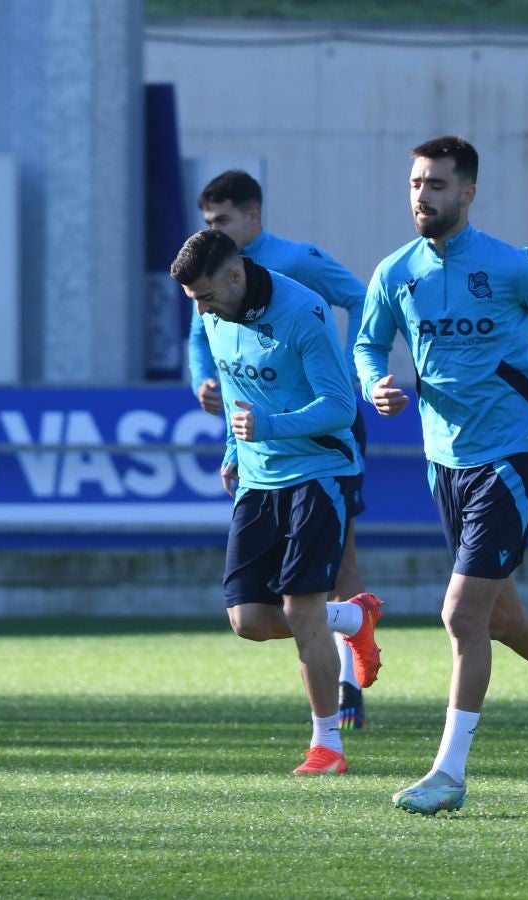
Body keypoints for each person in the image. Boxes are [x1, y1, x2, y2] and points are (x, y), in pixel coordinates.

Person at [354, 136, 528, 816]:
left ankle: (449, 774)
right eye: (417, 183)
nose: (424, 195)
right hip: (443, 465)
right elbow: (367, 341)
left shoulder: (510, 267)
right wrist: (374, 383)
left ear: (467, 192)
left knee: (460, 613)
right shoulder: (396, 272)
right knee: (502, 617)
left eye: (438, 184)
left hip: (508, 459)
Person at [169, 228, 383, 776]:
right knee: (248, 620)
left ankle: (328, 746)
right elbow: (235, 386)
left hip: (319, 470)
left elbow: (340, 406)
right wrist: (232, 449)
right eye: (195, 301)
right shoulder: (213, 312)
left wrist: (269, 426)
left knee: (299, 607)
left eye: (208, 297)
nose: (202, 310)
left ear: (236, 274)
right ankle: (349, 618)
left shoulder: (302, 311)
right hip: (259, 478)